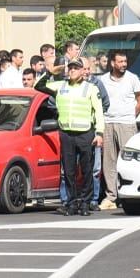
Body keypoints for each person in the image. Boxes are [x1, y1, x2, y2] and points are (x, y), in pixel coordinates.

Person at [35, 59, 105, 216]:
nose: (72, 70)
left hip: (86, 133)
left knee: (87, 170)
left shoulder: (91, 88)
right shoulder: (61, 86)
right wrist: (50, 72)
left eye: (76, 68)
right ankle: (72, 203)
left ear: (82, 71)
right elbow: (38, 86)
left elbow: (99, 112)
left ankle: (86, 203)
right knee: (69, 171)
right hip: (66, 133)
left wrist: (99, 133)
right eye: (71, 68)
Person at [98, 51, 140, 211]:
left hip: (127, 124)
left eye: (125, 61)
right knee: (109, 162)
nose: (124, 64)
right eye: (120, 62)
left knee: (128, 160)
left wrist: (130, 116)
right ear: (112, 63)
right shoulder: (102, 80)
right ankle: (111, 196)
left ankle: (129, 194)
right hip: (108, 123)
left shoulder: (133, 78)